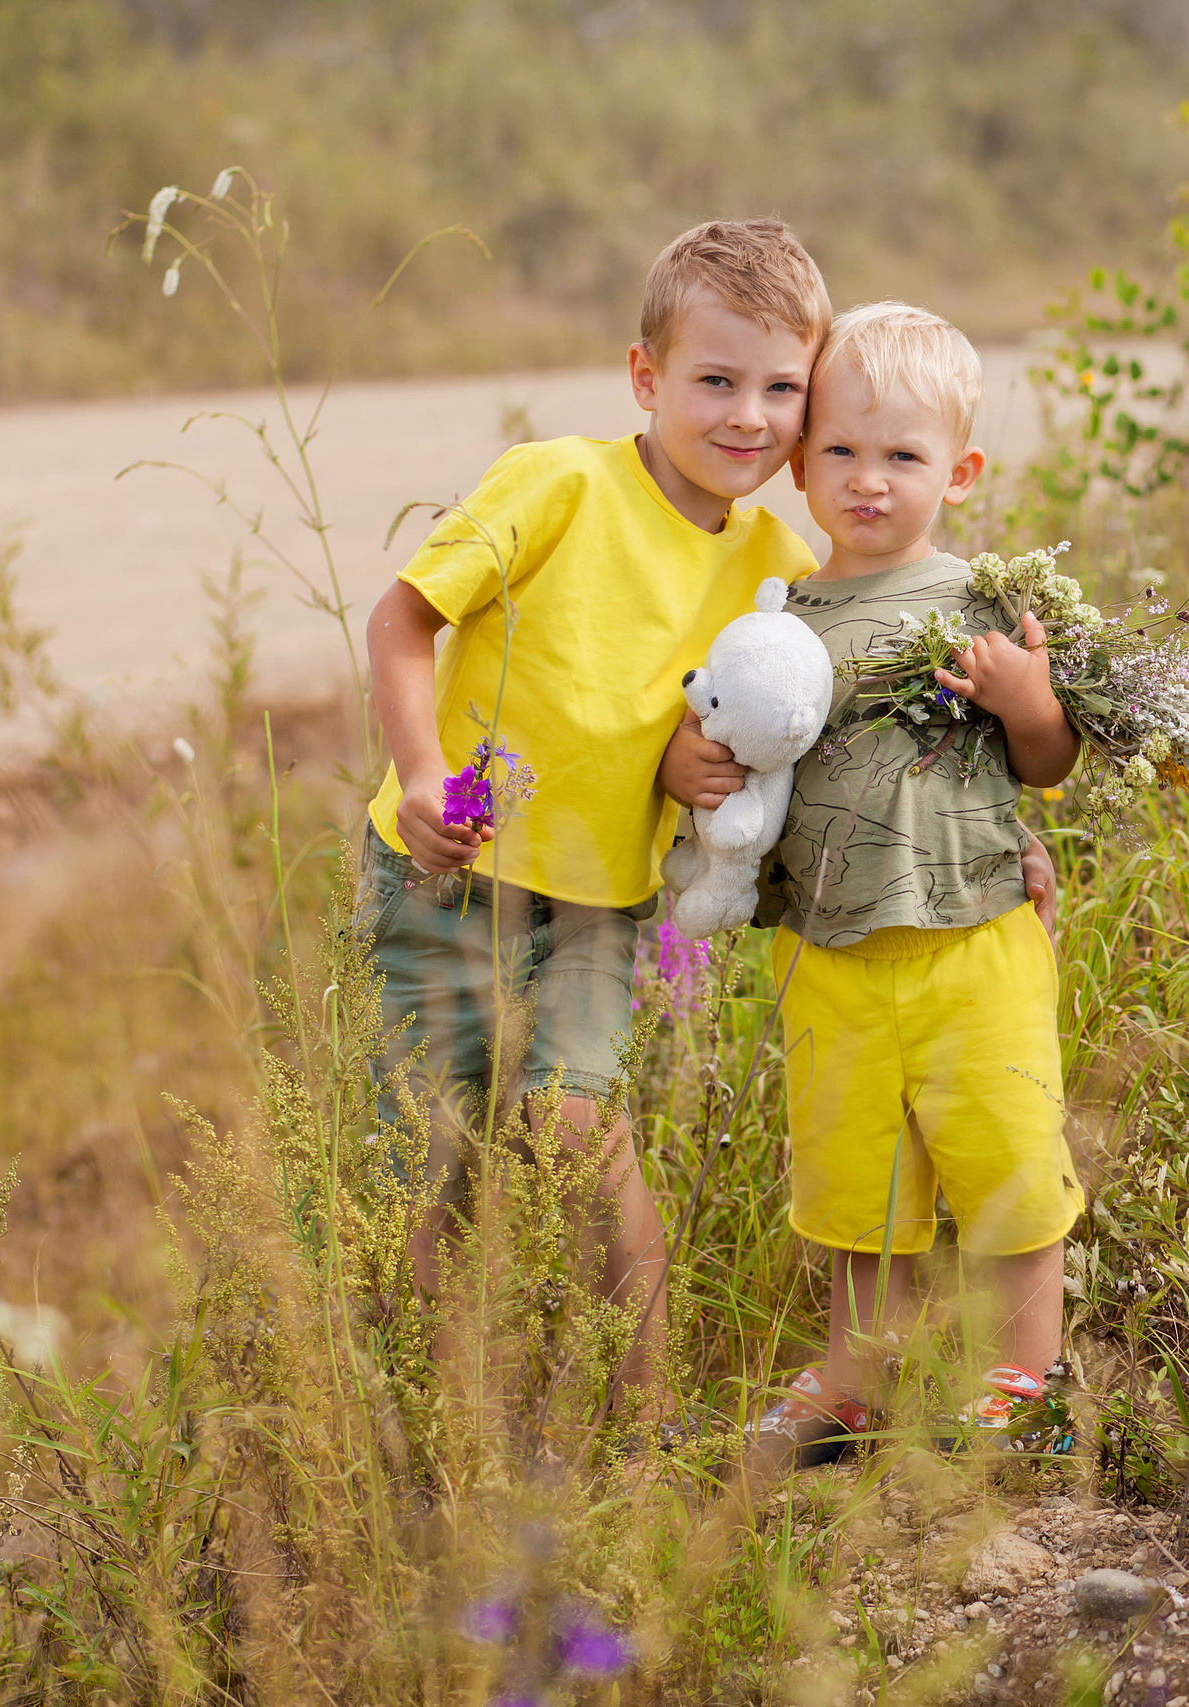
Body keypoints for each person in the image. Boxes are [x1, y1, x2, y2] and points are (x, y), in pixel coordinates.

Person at [352, 219, 830, 1404]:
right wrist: (420, 776)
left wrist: (688, 759)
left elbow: (776, 710)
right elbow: (401, 622)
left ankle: (647, 1424)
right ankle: (429, 1432)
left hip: (598, 914)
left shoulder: (777, 557)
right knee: (434, 1172)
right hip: (443, 881)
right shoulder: (560, 481)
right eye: (715, 381)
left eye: (782, 389)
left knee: (573, 1130)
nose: (747, 417)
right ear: (645, 377)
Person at [743, 302, 1085, 1466]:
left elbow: (1045, 764)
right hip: (830, 948)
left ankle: (1022, 1379)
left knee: (1005, 1165)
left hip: (971, 936)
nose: (868, 482)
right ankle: (855, 1380)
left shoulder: (982, 606)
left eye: (902, 456)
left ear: (961, 469)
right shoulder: (781, 620)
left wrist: (1024, 702)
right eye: (839, 451)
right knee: (854, 1184)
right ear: (797, 465)